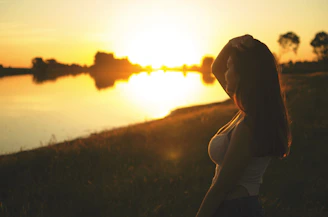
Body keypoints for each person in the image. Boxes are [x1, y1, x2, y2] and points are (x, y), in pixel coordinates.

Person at [195, 34, 292, 217]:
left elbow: (220, 189)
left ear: (244, 75)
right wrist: (231, 43)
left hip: (235, 209)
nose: (225, 71)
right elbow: (216, 68)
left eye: (230, 66)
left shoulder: (249, 126)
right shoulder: (250, 111)